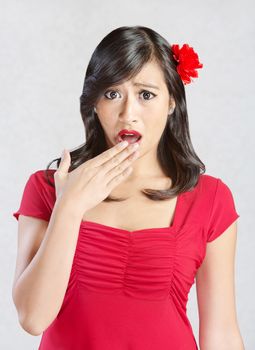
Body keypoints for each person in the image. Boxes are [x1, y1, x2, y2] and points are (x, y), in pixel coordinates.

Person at [12, 25, 245, 349]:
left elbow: (221, 333)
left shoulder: (211, 199)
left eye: (145, 94)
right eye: (112, 94)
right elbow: (33, 318)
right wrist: (70, 206)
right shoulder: (48, 188)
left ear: (172, 102)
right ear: (95, 103)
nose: (127, 113)